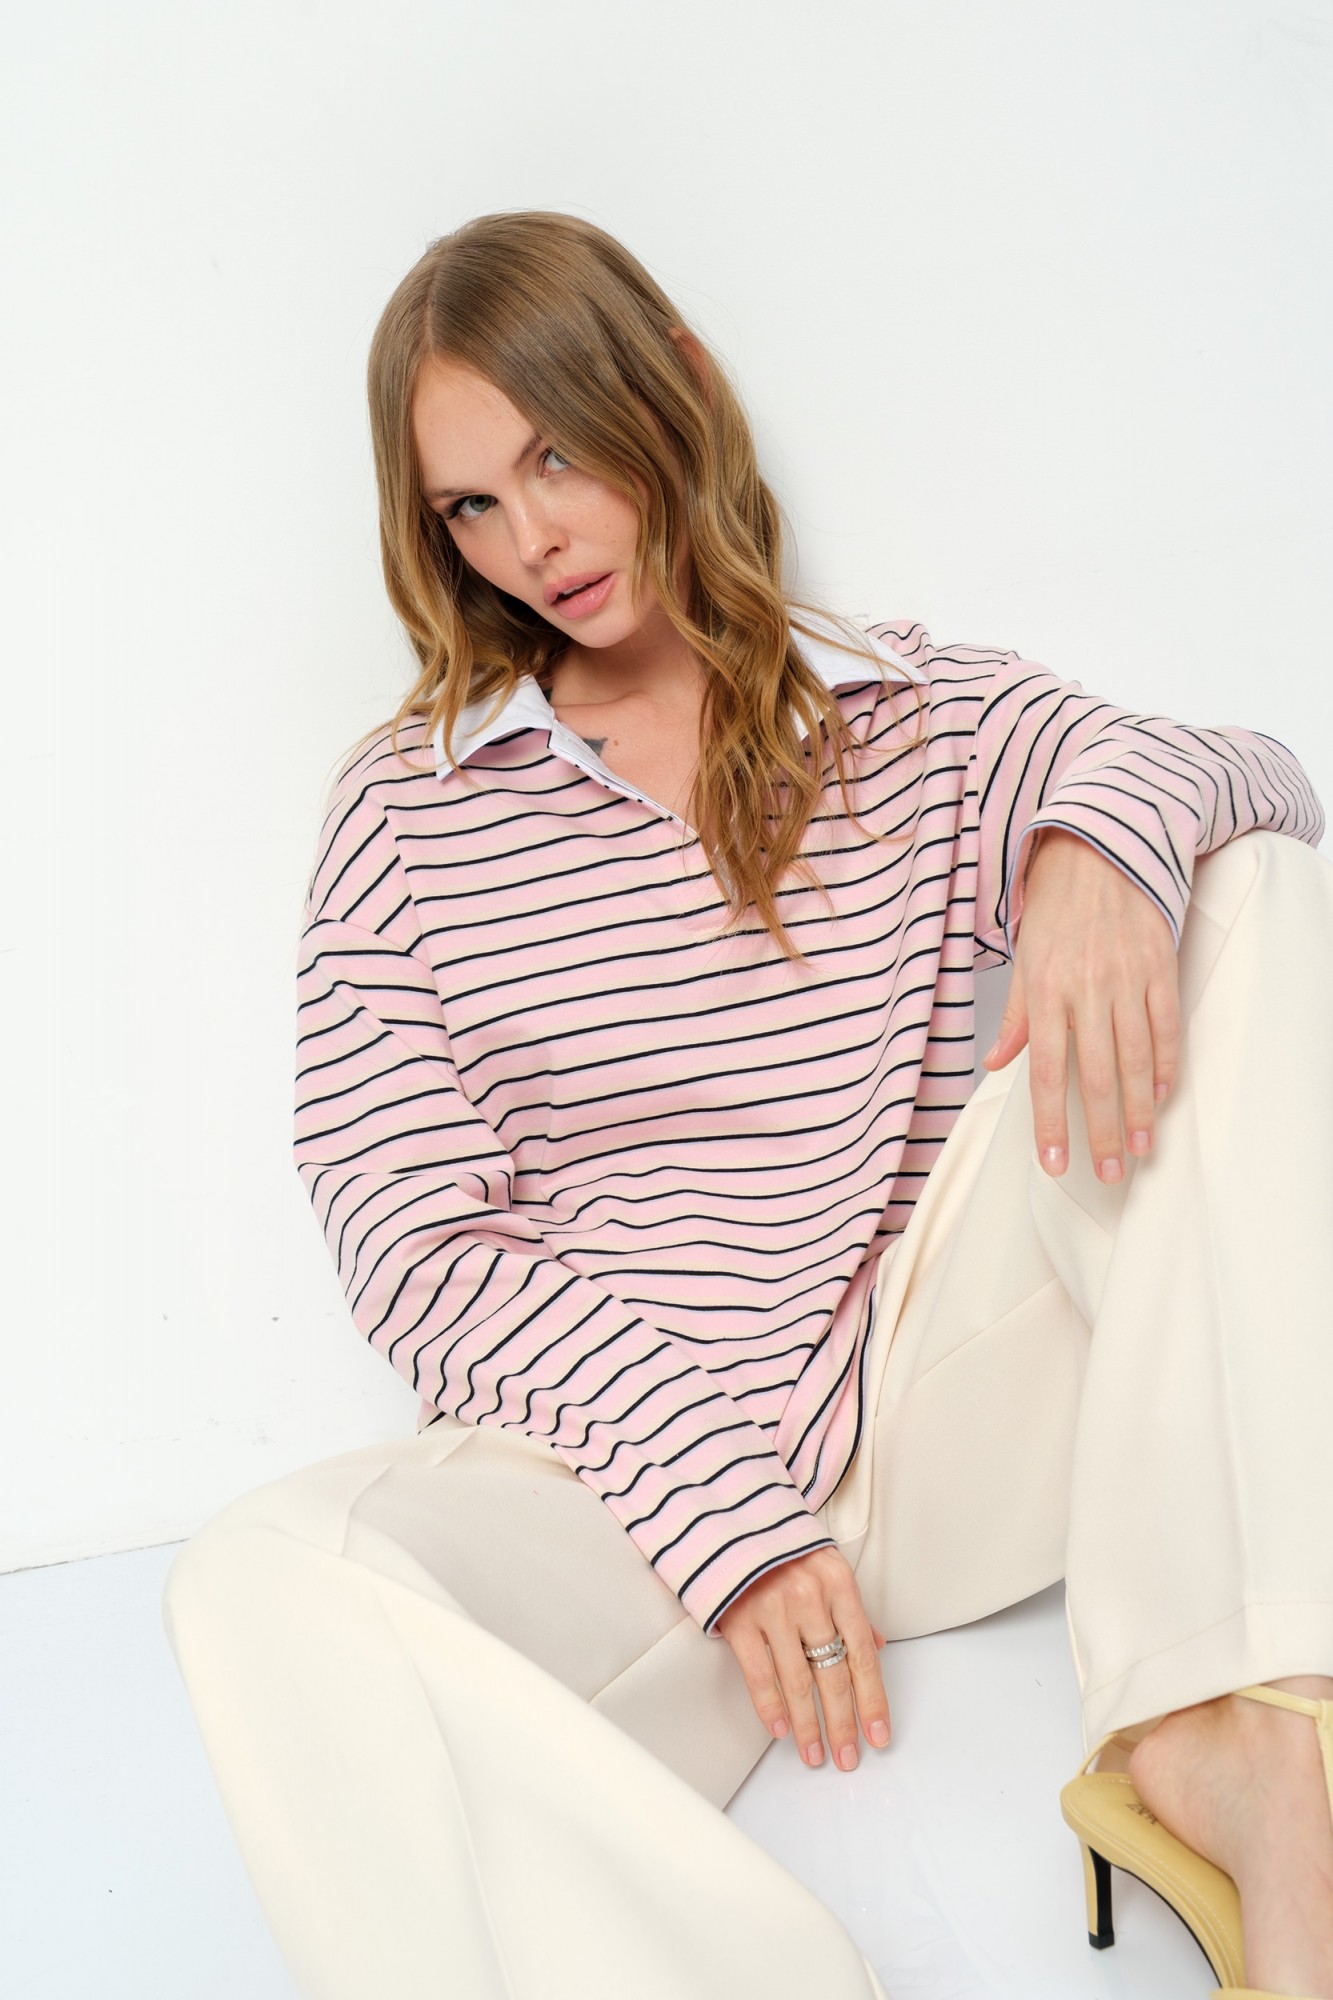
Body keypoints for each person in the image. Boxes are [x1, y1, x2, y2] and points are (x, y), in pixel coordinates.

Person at [162, 210, 1333, 2000]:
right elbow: (410, 1241)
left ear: (674, 390)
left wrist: (1094, 850)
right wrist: (717, 1506)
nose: (531, 540)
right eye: (470, 504)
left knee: (1243, 887)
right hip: (619, 1495)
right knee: (259, 1572)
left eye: (556, 456)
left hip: (927, 1422)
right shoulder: (408, 813)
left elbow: (1259, 772)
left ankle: (1232, 1734)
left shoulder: (898, 712)